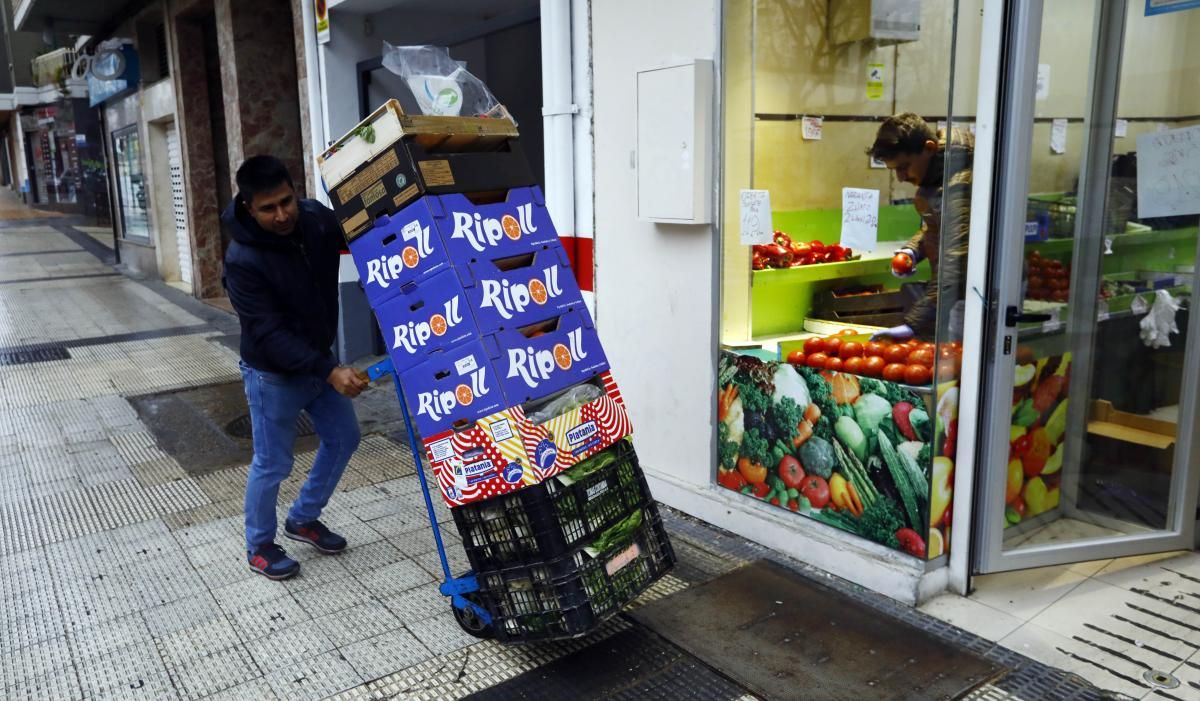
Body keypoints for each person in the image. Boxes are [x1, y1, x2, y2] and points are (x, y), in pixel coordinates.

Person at [222, 155, 368, 580]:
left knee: (344, 438)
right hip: (273, 374)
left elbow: (356, 235)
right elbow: (267, 333)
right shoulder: (242, 259)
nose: (282, 214)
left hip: (318, 361)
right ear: (249, 206)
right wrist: (329, 369)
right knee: (272, 463)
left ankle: (303, 517)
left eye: (286, 201)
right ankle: (260, 545)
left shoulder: (314, 218)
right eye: (268, 208)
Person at [866, 113, 973, 342]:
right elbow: (938, 227)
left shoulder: (960, 186)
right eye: (894, 170)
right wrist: (912, 250)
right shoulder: (939, 177)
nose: (901, 177)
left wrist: (913, 324)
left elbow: (956, 262)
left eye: (904, 167)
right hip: (956, 293)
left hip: (975, 293)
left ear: (930, 148)